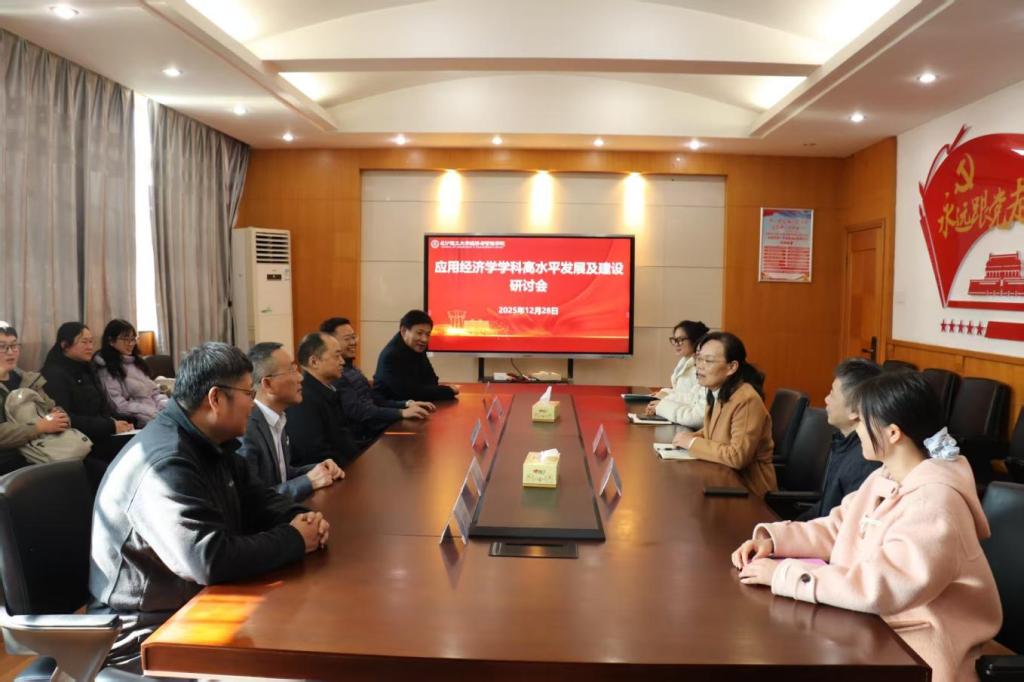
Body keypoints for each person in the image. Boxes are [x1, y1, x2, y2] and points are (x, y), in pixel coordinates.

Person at [731, 370, 1001, 682]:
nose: (856, 429)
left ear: (893, 433)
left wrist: (784, 575)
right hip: (872, 627)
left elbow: (883, 587)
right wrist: (775, 542)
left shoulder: (935, 502)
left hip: (917, 651)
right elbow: (839, 527)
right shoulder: (885, 475)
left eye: (861, 421)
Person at [89, 342, 329, 671]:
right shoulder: (166, 462)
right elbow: (208, 559)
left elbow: (259, 499)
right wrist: (295, 538)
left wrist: (302, 518)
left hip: (194, 603)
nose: (254, 403)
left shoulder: (210, 441)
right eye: (248, 393)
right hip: (143, 632)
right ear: (216, 398)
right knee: (290, 658)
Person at [671, 331, 776, 495]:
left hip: (748, 491)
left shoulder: (746, 400)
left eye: (708, 361)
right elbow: (714, 432)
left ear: (732, 367)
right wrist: (691, 437)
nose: (700, 366)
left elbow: (737, 457)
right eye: (699, 358)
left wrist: (691, 443)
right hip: (721, 481)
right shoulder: (716, 391)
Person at [239, 342, 344, 501]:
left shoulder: (277, 417)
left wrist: (318, 468)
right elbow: (252, 501)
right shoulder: (246, 429)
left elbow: (282, 475)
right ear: (268, 384)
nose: (300, 377)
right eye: (291, 370)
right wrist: (308, 482)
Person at [795, 357, 883, 521]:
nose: (826, 400)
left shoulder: (865, 460)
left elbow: (845, 524)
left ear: (855, 410)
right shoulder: (845, 443)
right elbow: (826, 507)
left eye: (832, 394)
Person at [321, 317, 433, 443]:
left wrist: (406, 404)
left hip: (374, 430)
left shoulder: (351, 368)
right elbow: (359, 411)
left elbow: (373, 399)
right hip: (363, 439)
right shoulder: (336, 375)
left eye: (354, 337)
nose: (353, 342)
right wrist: (400, 413)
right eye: (347, 339)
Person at [41, 322, 133, 471]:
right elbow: (66, 418)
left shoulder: (86, 367)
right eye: (84, 342)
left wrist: (117, 422)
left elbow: (101, 407)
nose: (90, 347)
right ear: (65, 345)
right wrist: (110, 426)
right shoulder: (53, 375)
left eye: (91, 342)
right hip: (78, 443)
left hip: (99, 434)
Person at [0, 321, 70, 472]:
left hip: (43, 448)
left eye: (14, 345)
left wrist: (59, 417)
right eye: (2, 347)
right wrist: (39, 427)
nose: (10, 352)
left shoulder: (28, 380)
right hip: (8, 459)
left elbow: (52, 408)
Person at [286, 332, 360, 467]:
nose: (342, 361)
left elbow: (343, 439)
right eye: (337, 356)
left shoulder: (328, 390)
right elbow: (314, 455)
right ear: (314, 362)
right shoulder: (303, 399)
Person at [93, 319, 168, 427]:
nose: (131, 344)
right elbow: (119, 406)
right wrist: (154, 414)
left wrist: (166, 407)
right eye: (125, 339)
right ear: (111, 341)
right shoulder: (107, 368)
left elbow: (154, 392)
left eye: (133, 339)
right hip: (140, 422)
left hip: (157, 416)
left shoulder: (137, 362)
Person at [373, 310, 459, 402]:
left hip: (417, 404)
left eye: (428, 334)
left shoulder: (416, 347)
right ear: (404, 331)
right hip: (391, 407)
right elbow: (409, 393)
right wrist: (448, 391)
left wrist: (426, 390)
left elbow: (432, 381)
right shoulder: (391, 355)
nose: (424, 339)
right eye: (419, 333)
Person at [643, 320, 709, 427]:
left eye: (681, 340)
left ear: (695, 340)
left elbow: (694, 402)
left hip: (687, 422)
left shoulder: (701, 370)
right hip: (681, 417)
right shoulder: (684, 362)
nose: (676, 344)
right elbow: (683, 393)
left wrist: (666, 399)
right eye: (674, 340)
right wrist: (664, 393)